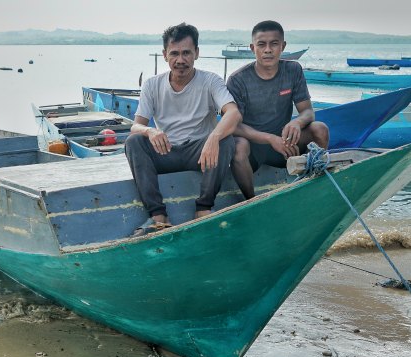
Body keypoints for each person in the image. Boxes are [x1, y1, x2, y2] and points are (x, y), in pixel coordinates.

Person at [125, 22, 241, 236]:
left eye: (187, 53)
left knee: (226, 139)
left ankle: (204, 208)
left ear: (196, 53)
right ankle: (158, 216)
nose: (180, 60)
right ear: (164, 55)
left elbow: (233, 113)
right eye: (174, 53)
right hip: (165, 151)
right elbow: (136, 125)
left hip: (200, 153)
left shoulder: (210, 80)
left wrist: (214, 137)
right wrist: (150, 131)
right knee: (134, 142)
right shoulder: (152, 84)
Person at [226, 20, 329, 200]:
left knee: (319, 129)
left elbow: (307, 112)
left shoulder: (293, 70)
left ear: (283, 46)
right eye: (261, 44)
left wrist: (297, 122)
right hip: (254, 148)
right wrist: (270, 139)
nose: (268, 50)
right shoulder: (237, 79)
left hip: (285, 144)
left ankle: (314, 186)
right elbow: (234, 126)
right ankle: (251, 200)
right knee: (238, 146)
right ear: (252, 48)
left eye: (274, 44)